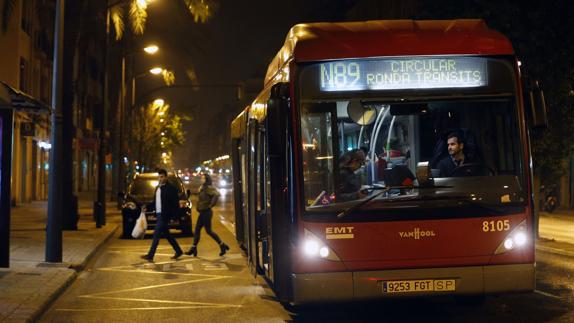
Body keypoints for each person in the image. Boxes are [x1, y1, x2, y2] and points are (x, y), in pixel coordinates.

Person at [141, 169, 183, 262]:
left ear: (166, 177)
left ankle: (150, 255)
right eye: (159, 177)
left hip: (165, 215)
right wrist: (147, 207)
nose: (160, 178)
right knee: (167, 234)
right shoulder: (158, 188)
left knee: (156, 234)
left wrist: (174, 217)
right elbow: (155, 202)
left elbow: (175, 204)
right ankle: (178, 250)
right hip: (159, 214)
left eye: (162, 177)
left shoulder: (171, 189)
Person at [185, 174, 230, 257]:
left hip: (206, 212)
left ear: (206, 179)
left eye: (203, 178)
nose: (201, 179)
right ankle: (194, 248)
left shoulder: (208, 187)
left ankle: (222, 245)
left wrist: (211, 205)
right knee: (198, 230)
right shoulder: (202, 188)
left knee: (208, 231)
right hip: (203, 212)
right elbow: (202, 197)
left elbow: (216, 195)